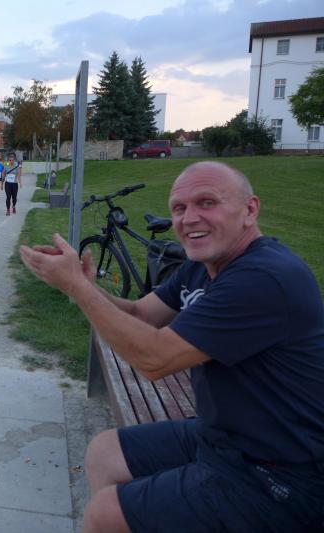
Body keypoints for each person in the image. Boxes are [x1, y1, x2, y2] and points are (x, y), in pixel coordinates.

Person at [20, 161, 324, 532]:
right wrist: (85, 286)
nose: (189, 218)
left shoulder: (264, 277)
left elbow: (154, 359)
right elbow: (141, 314)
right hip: (222, 434)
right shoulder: (203, 264)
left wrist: (77, 288)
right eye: (179, 208)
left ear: (250, 209)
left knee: (104, 514)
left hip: (281, 471)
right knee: (105, 452)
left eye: (207, 202)